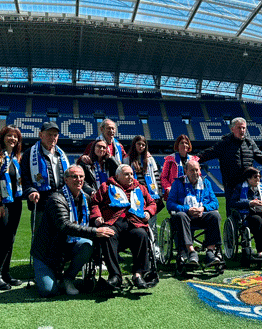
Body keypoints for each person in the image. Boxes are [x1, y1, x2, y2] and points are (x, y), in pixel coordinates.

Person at [30, 165, 115, 297]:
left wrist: (98, 220)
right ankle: (47, 276)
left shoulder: (85, 198)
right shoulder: (56, 199)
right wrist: (95, 231)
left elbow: (91, 217)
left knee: (87, 245)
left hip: (67, 246)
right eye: (74, 176)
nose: (78, 179)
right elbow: (64, 225)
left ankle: (68, 279)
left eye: (81, 177)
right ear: (66, 180)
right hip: (46, 253)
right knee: (49, 291)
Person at [90, 164, 158, 289]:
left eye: (132, 174)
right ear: (117, 176)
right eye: (126, 174)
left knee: (142, 234)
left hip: (134, 223)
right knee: (107, 234)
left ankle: (138, 274)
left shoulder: (140, 188)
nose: (130, 177)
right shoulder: (106, 187)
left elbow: (152, 203)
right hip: (113, 222)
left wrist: (148, 212)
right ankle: (115, 276)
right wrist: (97, 217)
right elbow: (95, 203)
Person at [197, 117, 262, 213]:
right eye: (239, 128)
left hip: (247, 184)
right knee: (232, 211)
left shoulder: (250, 143)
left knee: (250, 210)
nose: (242, 130)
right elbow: (209, 153)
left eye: (244, 128)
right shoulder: (225, 143)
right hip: (231, 185)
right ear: (232, 129)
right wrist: (193, 159)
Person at [0, 125, 24, 290]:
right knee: (6, 238)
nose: (12, 139)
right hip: (1, 204)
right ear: (2, 137)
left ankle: (6, 274)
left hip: (15, 203)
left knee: (11, 239)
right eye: (9, 135)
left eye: (15, 136)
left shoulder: (16, 158)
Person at [166, 160, 223, 268]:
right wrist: (187, 209)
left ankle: (210, 252)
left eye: (197, 170)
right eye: (192, 170)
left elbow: (215, 202)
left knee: (215, 215)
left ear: (200, 170)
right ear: (186, 171)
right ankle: (191, 251)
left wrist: (203, 208)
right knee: (180, 215)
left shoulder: (206, 183)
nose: (195, 172)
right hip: (186, 216)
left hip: (202, 215)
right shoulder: (178, 183)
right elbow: (170, 203)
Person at [20, 121, 70, 242]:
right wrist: (31, 191)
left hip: (60, 201)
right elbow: (24, 177)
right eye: (49, 134)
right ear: (41, 135)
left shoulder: (61, 154)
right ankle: (39, 261)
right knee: (40, 235)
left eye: (55, 135)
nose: (52, 138)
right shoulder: (29, 154)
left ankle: (59, 259)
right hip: (41, 202)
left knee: (60, 234)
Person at [231, 167, 262, 262]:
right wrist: (249, 203)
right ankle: (260, 251)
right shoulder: (240, 188)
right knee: (257, 220)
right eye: (255, 177)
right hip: (248, 214)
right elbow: (233, 203)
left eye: (259, 176)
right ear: (248, 178)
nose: (258, 179)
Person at [127, 136, 165, 255]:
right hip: (136, 196)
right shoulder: (127, 159)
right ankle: (139, 250)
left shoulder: (150, 159)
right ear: (134, 145)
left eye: (143, 145)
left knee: (152, 223)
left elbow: (156, 176)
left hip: (150, 196)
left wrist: (159, 192)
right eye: (139, 144)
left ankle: (155, 250)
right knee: (137, 223)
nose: (141, 147)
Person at [161, 134, 198, 201]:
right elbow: (163, 177)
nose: (184, 145)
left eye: (186, 143)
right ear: (177, 145)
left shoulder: (193, 159)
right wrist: (168, 188)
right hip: (175, 193)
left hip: (191, 193)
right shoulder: (170, 159)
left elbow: (198, 176)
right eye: (182, 143)